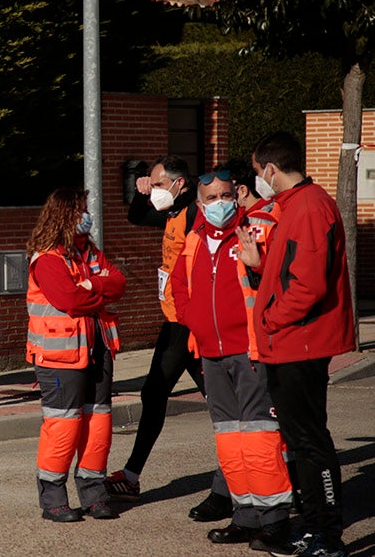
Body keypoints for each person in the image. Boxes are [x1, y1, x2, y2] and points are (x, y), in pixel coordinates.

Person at [170, 168, 293, 552]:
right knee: (230, 441)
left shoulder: (255, 231)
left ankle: (273, 521)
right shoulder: (193, 241)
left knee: (259, 439)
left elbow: (278, 280)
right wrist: (196, 321)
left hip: (250, 350)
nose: (220, 203)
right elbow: (178, 286)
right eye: (211, 198)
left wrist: (257, 262)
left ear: (236, 195)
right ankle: (244, 516)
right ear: (199, 204)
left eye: (226, 195)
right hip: (211, 353)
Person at [105, 155, 232, 523]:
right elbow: (136, 217)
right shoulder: (174, 210)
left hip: (193, 324)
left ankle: (248, 477)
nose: (155, 190)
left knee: (223, 405)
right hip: (177, 320)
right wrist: (141, 193)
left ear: (179, 184)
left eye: (159, 184)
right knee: (160, 393)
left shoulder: (196, 212)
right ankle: (131, 476)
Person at [245, 131, 354, 557]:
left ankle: (327, 535)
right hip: (289, 340)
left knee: (309, 441)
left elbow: (306, 285)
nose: (258, 180)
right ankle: (313, 528)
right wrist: (259, 268)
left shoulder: (307, 207)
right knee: (301, 439)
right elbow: (289, 273)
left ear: (271, 169)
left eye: (257, 172)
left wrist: (271, 319)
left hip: (298, 341)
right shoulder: (297, 206)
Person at [26, 188, 126, 522]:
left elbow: (120, 283)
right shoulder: (47, 259)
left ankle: (94, 493)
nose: (87, 215)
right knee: (63, 426)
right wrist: (97, 290)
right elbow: (70, 300)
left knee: (98, 423)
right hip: (60, 357)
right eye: (80, 210)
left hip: (97, 349)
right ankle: (53, 499)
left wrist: (91, 287)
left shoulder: (88, 252)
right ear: (64, 216)